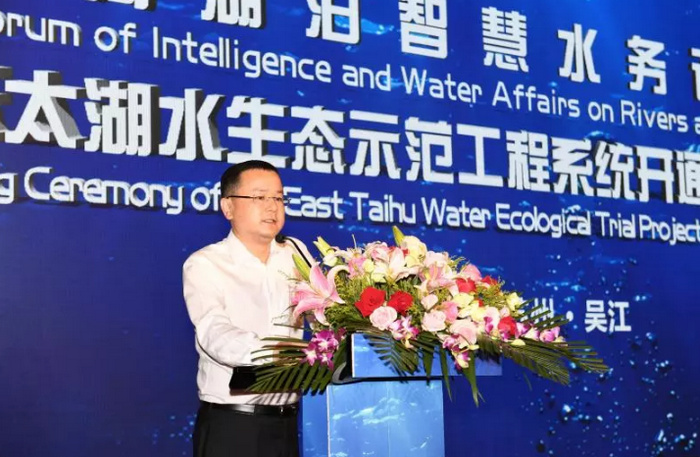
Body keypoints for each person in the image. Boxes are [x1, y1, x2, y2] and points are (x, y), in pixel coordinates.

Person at [183, 160, 308, 457]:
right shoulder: (205, 263)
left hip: (290, 423)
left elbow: (325, 312)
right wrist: (275, 351)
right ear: (228, 207)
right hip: (234, 426)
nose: (272, 206)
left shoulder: (296, 253)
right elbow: (213, 332)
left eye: (278, 197)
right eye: (259, 197)